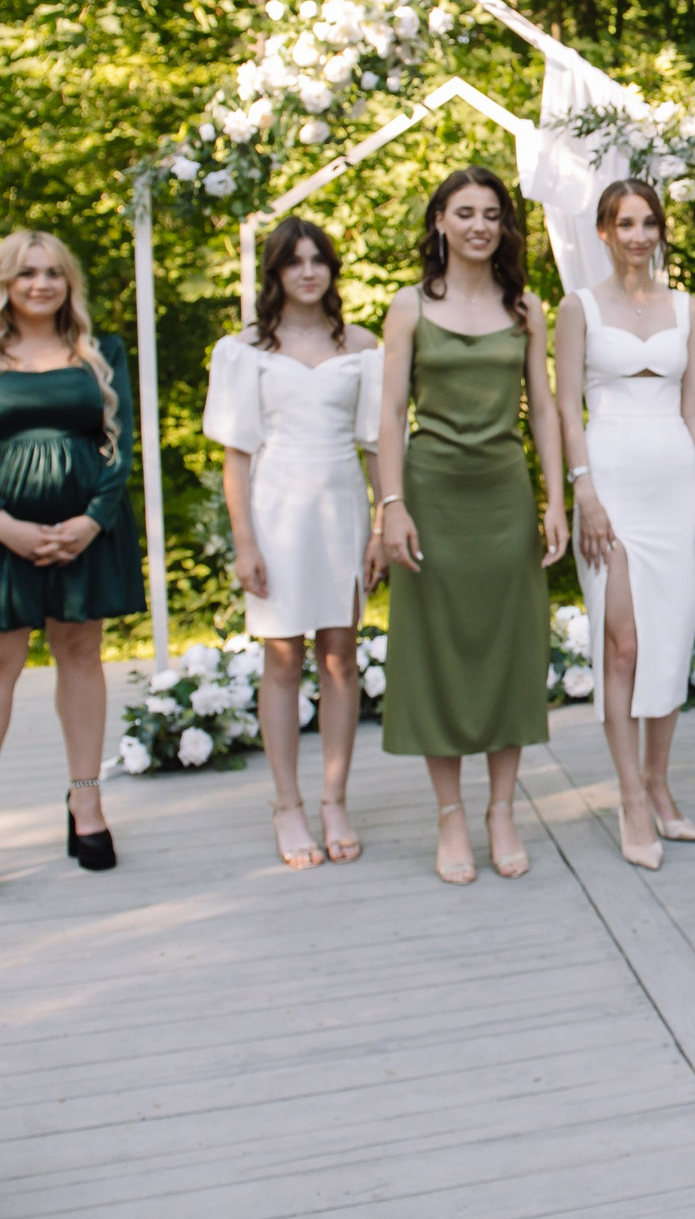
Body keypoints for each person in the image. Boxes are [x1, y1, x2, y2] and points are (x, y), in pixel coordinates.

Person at [0, 230, 141, 901]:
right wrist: (7, 525)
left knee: (81, 651)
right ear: (5, 284)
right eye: (26, 274)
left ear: (68, 281)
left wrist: (90, 520)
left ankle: (86, 802)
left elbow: (122, 442)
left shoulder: (101, 354)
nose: (41, 284)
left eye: (53, 272)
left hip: (84, 529)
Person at [374, 169, 569, 885]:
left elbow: (543, 409)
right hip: (430, 496)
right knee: (438, 654)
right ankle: (450, 814)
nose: (479, 224)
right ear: (439, 223)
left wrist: (555, 499)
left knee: (507, 652)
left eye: (492, 213)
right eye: (465, 212)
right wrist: (390, 504)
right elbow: (390, 413)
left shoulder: (526, 307)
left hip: (502, 495)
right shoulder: (407, 306)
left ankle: (502, 810)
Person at [203, 217, 383, 870]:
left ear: (332, 269)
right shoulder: (245, 349)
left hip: (342, 511)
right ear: (275, 271)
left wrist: (385, 526)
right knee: (282, 658)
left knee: (340, 654)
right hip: (276, 513)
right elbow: (237, 456)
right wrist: (244, 541)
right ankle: (288, 803)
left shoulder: (361, 344)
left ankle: (335, 797)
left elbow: (377, 447)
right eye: (294, 261)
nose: (308, 271)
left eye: (319, 260)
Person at [554, 177, 695, 870]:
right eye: (625, 223)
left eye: (649, 222)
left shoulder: (690, 309)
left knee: (670, 640)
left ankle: (659, 780)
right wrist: (583, 490)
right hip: (611, 481)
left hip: (677, 484)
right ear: (603, 230)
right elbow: (566, 407)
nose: (638, 235)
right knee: (620, 643)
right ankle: (628, 796)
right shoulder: (579, 306)